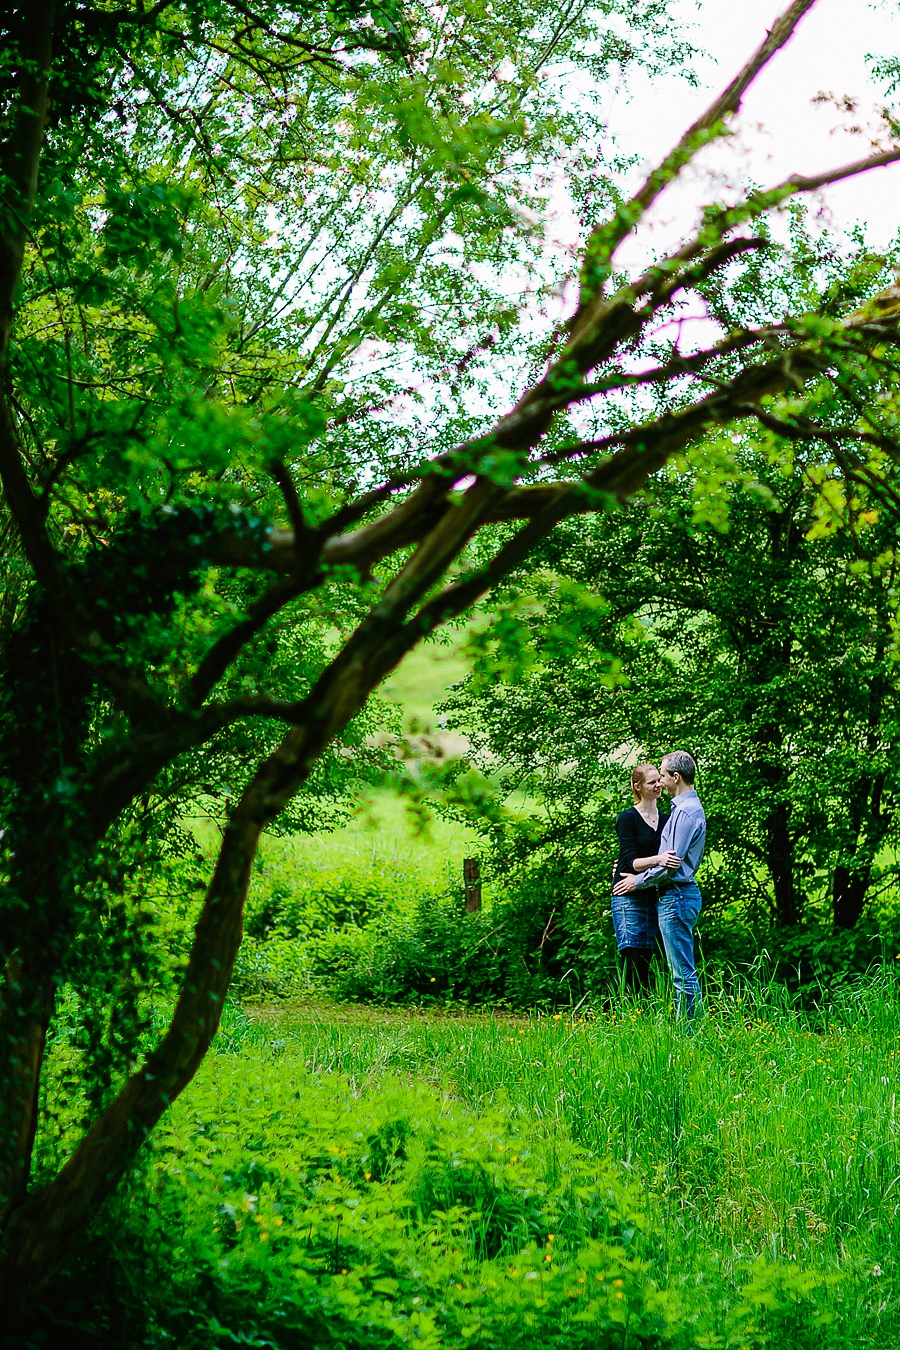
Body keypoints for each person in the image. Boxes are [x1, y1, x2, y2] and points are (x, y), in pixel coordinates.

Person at [613, 751, 706, 1019]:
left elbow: (669, 864)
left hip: (674, 895)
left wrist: (636, 880)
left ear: (675, 777)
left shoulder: (682, 814)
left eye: (662, 776)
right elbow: (638, 857)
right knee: (670, 970)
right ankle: (679, 1027)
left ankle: (689, 1033)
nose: (660, 783)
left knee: (681, 975)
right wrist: (628, 868)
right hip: (667, 895)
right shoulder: (680, 811)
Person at [611, 764, 680, 993]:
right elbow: (630, 861)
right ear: (637, 787)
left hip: (655, 894)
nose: (658, 785)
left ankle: (639, 1014)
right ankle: (614, 1013)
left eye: (659, 780)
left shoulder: (667, 819)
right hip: (628, 895)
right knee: (633, 959)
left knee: (652, 958)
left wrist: (660, 862)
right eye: (652, 782)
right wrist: (658, 859)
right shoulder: (628, 818)